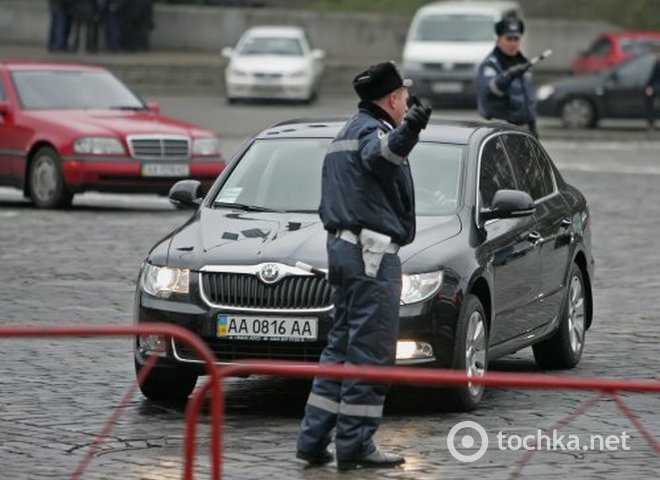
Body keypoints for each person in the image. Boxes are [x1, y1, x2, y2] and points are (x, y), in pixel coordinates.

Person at [296, 61, 431, 471]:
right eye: (404, 99)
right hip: (371, 256)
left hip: (345, 252)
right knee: (370, 353)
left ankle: (313, 438)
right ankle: (356, 445)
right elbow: (383, 158)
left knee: (339, 350)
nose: (406, 103)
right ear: (392, 100)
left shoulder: (346, 133)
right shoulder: (374, 134)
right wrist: (413, 128)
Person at [476, 17, 538, 137]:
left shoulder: (523, 62)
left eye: (516, 39)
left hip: (525, 130)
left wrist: (532, 125)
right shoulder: (490, 64)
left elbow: (528, 98)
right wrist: (508, 75)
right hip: (499, 130)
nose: (513, 43)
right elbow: (487, 91)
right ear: (499, 40)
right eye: (509, 39)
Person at [644, 55, 660, 131]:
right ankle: (651, 124)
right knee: (650, 103)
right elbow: (652, 78)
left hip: (656, 89)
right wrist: (649, 86)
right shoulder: (656, 64)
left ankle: (651, 124)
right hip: (655, 89)